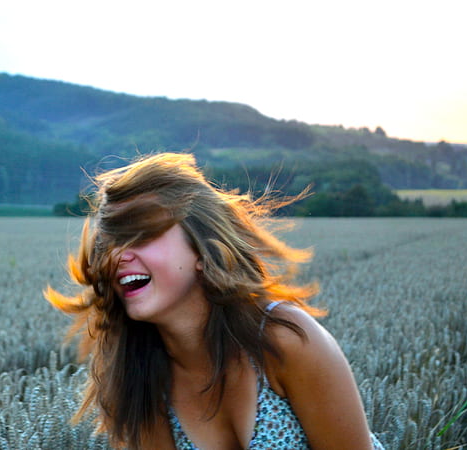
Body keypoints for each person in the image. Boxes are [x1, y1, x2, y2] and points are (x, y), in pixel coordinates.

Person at [45, 152, 384, 449]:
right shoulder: (138, 378)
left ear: (201, 249)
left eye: (141, 235)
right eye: (110, 243)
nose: (118, 256)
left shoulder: (285, 339)